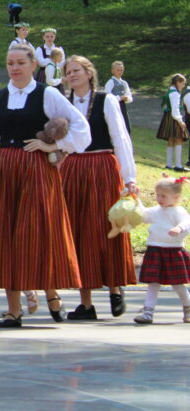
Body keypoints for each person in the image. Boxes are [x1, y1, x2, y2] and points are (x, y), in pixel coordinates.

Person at [0, 45, 91, 327]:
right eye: (10, 63)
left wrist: (53, 145)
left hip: (37, 170)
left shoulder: (47, 94)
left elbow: (81, 128)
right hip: (5, 170)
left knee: (39, 232)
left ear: (32, 65)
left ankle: (51, 291)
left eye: (20, 62)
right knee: (6, 235)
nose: (15, 68)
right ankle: (13, 309)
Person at [60, 56, 137, 320]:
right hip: (73, 169)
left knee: (107, 225)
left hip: (103, 166)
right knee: (78, 230)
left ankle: (115, 289)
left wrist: (130, 178)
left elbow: (120, 138)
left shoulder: (107, 100)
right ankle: (86, 303)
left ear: (89, 73)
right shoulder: (64, 104)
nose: (72, 75)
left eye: (77, 70)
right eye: (68, 71)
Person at [131, 177, 190, 324]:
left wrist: (179, 228)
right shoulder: (156, 211)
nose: (159, 199)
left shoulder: (178, 211)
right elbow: (144, 215)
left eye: (163, 196)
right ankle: (148, 312)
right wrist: (136, 199)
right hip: (155, 250)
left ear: (176, 197)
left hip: (173, 251)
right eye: (158, 195)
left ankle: (188, 309)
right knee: (153, 283)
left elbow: (187, 222)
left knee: (178, 284)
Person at [158, 74, 188, 172]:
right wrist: (180, 121)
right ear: (178, 82)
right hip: (174, 118)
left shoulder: (170, 91)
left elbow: (164, 106)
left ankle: (169, 164)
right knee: (179, 139)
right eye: (183, 83)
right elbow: (175, 110)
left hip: (168, 117)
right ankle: (178, 165)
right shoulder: (175, 93)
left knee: (171, 140)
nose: (183, 85)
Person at [104, 61, 133, 134]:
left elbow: (129, 96)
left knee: (127, 127)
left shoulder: (124, 83)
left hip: (122, 106)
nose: (120, 72)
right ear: (112, 71)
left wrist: (127, 98)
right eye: (118, 70)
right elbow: (107, 96)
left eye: (121, 70)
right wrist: (119, 98)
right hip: (114, 106)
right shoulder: (110, 82)